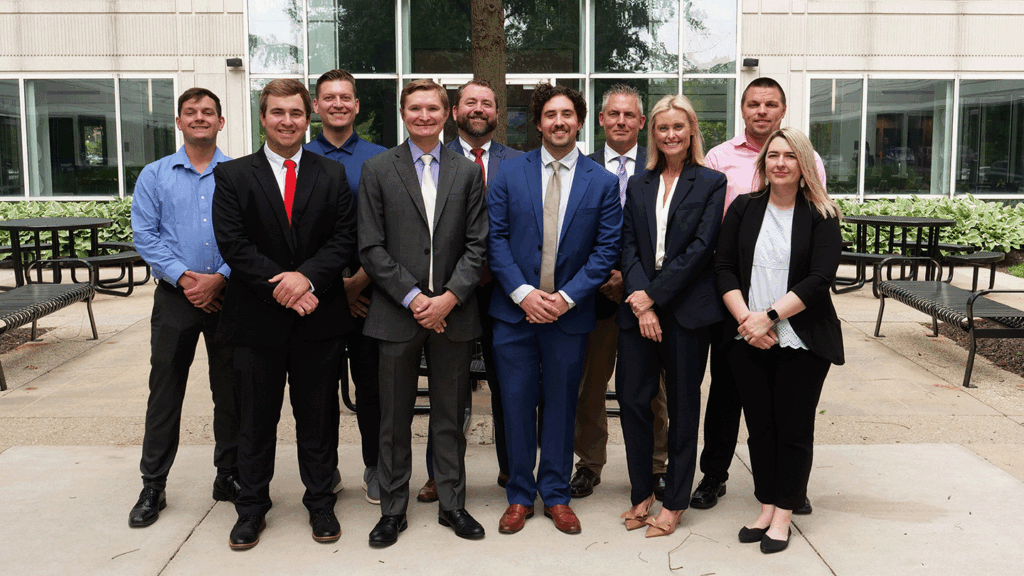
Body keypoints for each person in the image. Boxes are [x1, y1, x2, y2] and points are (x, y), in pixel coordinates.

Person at [212, 79, 357, 550]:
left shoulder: (331, 174)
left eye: (296, 113)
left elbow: (343, 239)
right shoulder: (233, 176)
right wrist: (287, 286)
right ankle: (251, 507)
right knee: (255, 419)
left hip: (319, 320)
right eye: (278, 112)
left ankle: (320, 504)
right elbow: (234, 245)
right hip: (256, 322)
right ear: (263, 117)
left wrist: (307, 279)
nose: (287, 121)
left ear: (307, 117)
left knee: (318, 418)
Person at [359, 79, 489, 547]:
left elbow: (478, 245)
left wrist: (448, 298)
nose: (424, 115)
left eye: (433, 108)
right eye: (415, 108)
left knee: (450, 416)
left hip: (453, 314)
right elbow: (370, 246)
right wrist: (415, 298)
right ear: (402, 112)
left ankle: (453, 503)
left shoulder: (467, 171)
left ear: (448, 112)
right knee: (393, 419)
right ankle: (393, 509)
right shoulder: (377, 169)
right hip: (397, 314)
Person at [487, 83, 621, 535]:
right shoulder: (507, 172)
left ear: (580, 121)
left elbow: (605, 251)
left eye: (567, 114)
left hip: (569, 317)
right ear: (538, 122)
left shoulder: (601, 181)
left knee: (564, 406)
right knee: (517, 404)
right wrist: (523, 293)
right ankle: (521, 496)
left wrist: (565, 298)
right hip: (514, 313)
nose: (558, 122)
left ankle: (557, 495)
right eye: (550, 114)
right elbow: (495, 239)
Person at [692, 77, 825, 515]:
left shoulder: (807, 159)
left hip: (790, 307)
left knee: (787, 410)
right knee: (727, 395)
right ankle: (715, 474)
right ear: (743, 109)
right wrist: (745, 315)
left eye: (770, 104)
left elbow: (816, 238)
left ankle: (788, 488)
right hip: (734, 301)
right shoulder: (718, 157)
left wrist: (771, 315)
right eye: (753, 104)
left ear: (782, 110)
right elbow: (716, 237)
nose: (761, 111)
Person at [715, 127, 844, 553]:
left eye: (790, 155)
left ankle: (785, 513)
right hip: (748, 335)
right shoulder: (744, 208)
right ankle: (767, 504)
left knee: (792, 429)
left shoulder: (822, 214)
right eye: (773, 155)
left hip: (800, 338)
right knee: (760, 429)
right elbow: (725, 268)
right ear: (763, 162)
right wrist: (747, 322)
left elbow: (819, 279)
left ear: (803, 164)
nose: (780, 163)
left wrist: (768, 317)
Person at [128, 87, 240, 528]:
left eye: (208, 112)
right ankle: (153, 484)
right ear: (178, 122)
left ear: (220, 122)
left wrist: (221, 277)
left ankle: (227, 475)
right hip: (176, 299)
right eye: (191, 112)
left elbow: (252, 234)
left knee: (230, 391)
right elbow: (146, 235)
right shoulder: (154, 175)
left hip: (229, 298)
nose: (199, 118)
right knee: (165, 392)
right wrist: (187, 279)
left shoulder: (238, 173)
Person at [615, 95, 726, 538]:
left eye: (679, 126)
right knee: (632, 402)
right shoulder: (640, 184)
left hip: (686, 312)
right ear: (652, 133)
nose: (671, 134)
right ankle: (641, 494)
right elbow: (627, 244)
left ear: (692, 130)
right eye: (663, 127)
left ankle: (675, 501)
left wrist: (652, 300)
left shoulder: (711, 182)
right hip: (639, 307)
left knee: (682, 408)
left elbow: (702, 250)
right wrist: (640, 298)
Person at [418, 78, 523, 503]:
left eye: (487, 103)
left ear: (497, 114)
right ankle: (438, 474)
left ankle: (512, 469)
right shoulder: (429, 160)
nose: (478, 109)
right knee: (449, 390)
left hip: (503, 293)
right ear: (454, 112)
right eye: (470, 103)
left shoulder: (520, 162)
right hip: (447, 295)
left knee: (508, 386)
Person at [570, 83, 671, 501]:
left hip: (646, 298)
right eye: (614, 114)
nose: (621, 122)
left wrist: (635, 283)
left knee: (653, 389)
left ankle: (655, 466)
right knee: (589, 387)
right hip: (594, 298)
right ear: (600, 119)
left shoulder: (661, 167)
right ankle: (589, 464)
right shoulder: (580, 166)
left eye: (630, 115)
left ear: (641, 122)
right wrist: (603, 277)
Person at [304, 69, 387, 505]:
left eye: (346, 98)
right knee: (317, 392)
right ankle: (325, 470)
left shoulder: (382, 158)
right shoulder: (296, 158)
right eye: (328, 98)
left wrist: (360, 283)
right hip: (315, 297)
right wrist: (334, 287)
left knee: (371, 388)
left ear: (356, 106)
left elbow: (395, 229)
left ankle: (375, 467)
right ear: (316, 106)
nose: (337, 104)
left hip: (370, 295)